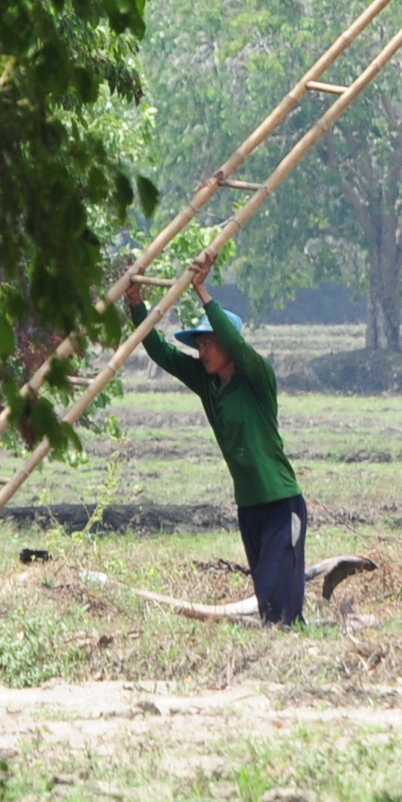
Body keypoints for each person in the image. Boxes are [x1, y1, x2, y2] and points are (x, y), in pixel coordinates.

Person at [133, 258, 318, 627]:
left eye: (209, 345)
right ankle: (277, 638)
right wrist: (135, 304)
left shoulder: (258, 379)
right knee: (266, 590)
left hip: (281, 501)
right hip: (249, 504)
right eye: (199, 345)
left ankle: (291, 641)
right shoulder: (206, 383)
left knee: (283, 589)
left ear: (230, 349)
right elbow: (159, 352)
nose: (202, 352)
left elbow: (234, 340)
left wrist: (203, 291)